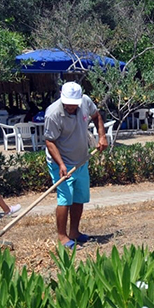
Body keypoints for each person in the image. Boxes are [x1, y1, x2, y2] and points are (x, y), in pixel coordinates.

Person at [44, 82, 108, 248]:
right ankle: (62, 236)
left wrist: (102, 136)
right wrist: (61, 164)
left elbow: (97, 116)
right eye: (68, 104)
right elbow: (49, 141)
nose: (71, 107)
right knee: (65, 199)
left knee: (79, 197)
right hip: (61, 162)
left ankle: (74, 232)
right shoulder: (53, 114)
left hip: (81, 160)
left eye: (74, 104)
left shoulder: (86, 102)